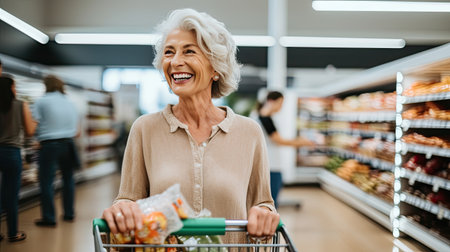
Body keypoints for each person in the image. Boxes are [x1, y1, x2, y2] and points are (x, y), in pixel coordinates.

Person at [102, 8, 279, 243]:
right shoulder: (145, 129)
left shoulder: (249, 133)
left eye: (189, 52)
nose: (175, 62)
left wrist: (265, 214)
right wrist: (121, 210)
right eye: (169, 52)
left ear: (215, 67)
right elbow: (128, 199)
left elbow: (263, 203)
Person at [33, 75, 80, 227]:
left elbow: (33, 125)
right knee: (68, 179)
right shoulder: (70, 103)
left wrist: (37, 137)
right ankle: (69, 213)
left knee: (47, 181)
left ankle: (49, 217)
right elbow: (76, 130)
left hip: (49, 145)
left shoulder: (41, 101)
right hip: (68, 144)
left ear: (46, 85)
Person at [256, 91, 314, 208]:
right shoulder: (264, 119)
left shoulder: (262, 117)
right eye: (280, 103)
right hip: (270, 165)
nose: (281, 107)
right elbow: (278, 140)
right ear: (271, 101)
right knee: (271, 201)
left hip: (269, 163)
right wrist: (300, 143)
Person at [0, 75, 36, 242]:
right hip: (12, 153)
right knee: (11, 195)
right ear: (12, 88)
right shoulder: (21, 105)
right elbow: (29, 131)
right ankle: (13, 233)